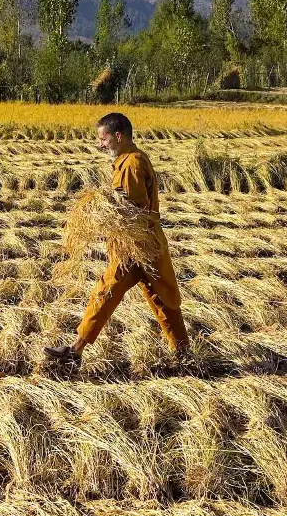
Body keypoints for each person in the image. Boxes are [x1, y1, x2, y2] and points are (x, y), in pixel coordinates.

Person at [45, 112, 189, 365]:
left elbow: (131, 209)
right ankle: (184, 355)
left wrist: (100, 209)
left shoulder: (132, 164)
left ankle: (75, 351)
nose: (101, 144)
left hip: (134, 247)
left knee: (107, 291)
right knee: (161, 299)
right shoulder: (131, 160)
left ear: (118, 136)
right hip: (143, 245)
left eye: (104, 139)